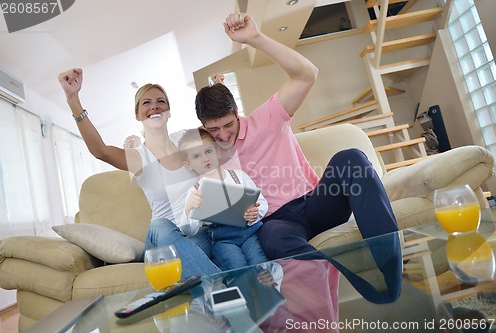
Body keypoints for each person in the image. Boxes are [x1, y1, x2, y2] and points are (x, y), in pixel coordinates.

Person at [195, 13, 399, 260]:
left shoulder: (267, 118)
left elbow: (307, 74)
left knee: (351, 158)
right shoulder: (211, 153)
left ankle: (390, 258)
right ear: (204, 126)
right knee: (272, 239)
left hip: (316, 204)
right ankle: (344, 283)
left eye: (228, 125)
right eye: (214, 130)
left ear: (237, 113)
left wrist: (256, 38)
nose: (223, 135)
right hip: (276, 222)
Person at [57, 69, 220, 278]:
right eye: (146, 102)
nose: (154, 106)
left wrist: (218, 88)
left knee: (202, 238)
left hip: (192, 232)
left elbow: (216, 129)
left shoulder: (185, 141)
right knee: (161, 225)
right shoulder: (138, 157)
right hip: (159, 241)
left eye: (161, 101)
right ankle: (222, 285)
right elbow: (101, 151)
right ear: (137, 115)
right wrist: (73, 99)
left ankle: (211, 294)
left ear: (169, 111)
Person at [176, 128, 268, 270]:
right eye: (196, 156)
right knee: (236, 265)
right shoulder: (194, 191)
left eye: (208, 151)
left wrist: (256, 213)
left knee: (260, 262)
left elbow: (261, 202)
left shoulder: (238, 176)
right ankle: (243, 290)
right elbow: (189, 231)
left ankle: (266, 290)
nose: (205, 158)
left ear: (217, 151)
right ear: (188, 165)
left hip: (250, 233)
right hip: (223, 240)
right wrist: (189, 209)